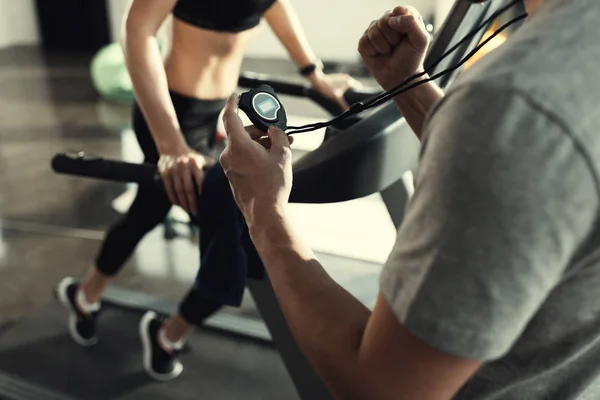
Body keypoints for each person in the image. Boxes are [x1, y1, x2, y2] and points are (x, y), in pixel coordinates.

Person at [219, 0, 600, 398]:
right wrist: (411, 86)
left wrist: (262, 208)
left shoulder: (512, 101)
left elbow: (381, 390)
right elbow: (532, 174)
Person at [55, 0, 359, 381]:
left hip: (215, 113)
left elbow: (275, 6)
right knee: (236, 240)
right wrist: (170, 144)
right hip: (170, 117)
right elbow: (138, 29)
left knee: (149, 211)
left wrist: (314, 74)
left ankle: (86, 297)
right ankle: (167, 335)